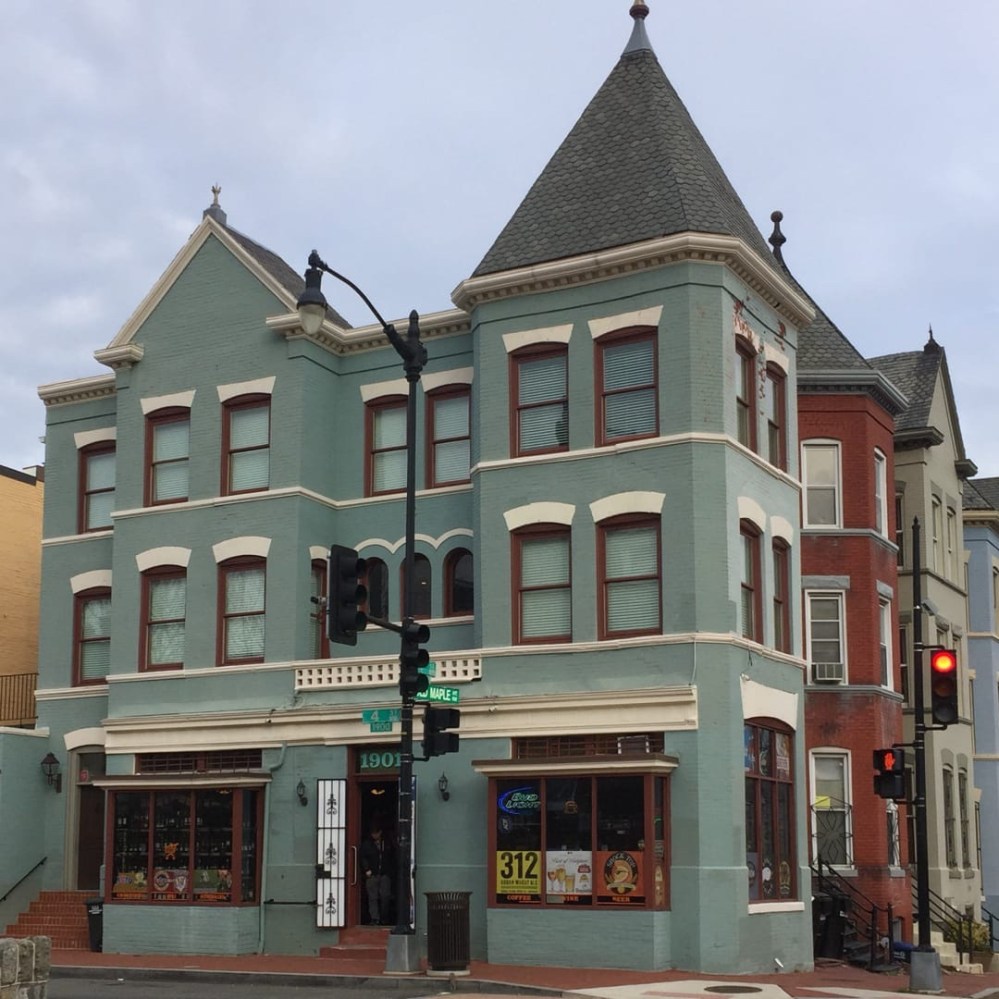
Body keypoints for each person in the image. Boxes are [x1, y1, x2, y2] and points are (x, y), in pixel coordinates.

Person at [359, 825, 394, 925]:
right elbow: (362, 857)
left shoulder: (386, 843)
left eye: (376, 833)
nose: (374, 835)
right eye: (373, 833)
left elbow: (391, 857)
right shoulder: (367, 844)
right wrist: (366, 869)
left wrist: (389, 872)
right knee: (372, 897)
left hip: (384, 874)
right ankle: (375, 918)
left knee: (385, 896)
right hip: (372, 874)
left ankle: (384, 918)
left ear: (380, 832)